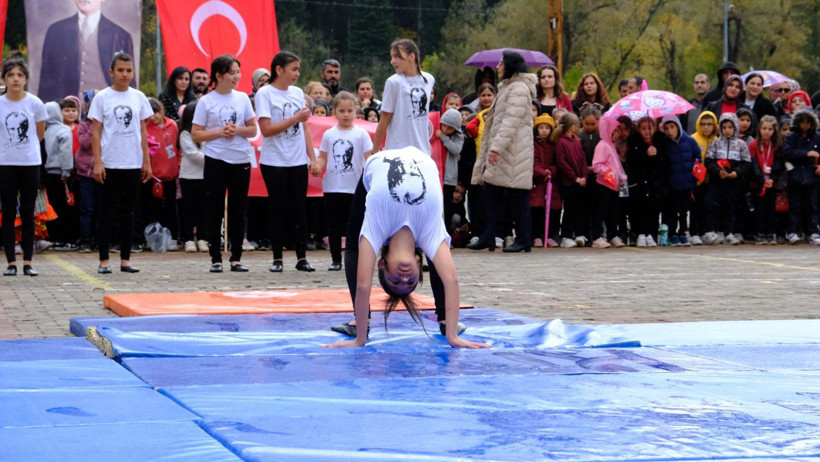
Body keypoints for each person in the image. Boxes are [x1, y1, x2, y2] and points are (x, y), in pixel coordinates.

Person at [323, 146, 490, 349]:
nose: (403, 277)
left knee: (353, 244)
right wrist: (452, 336)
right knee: (441, 246)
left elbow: (363, 285)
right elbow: (451, 280)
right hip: (423, 157)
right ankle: (446, 321)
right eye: (409, 281)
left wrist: (360, 339)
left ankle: (361, 322)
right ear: (419, 263)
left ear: (381, 264)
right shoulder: (430, 236)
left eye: (395, 280)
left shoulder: (375, 231)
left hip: (378, 161)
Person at [191, 54, 257, 272]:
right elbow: (196, 135)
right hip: (216, 160)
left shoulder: (242, 99)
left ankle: (236, 257)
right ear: (218, 76)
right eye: (232, 72)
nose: (236, 76)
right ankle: (215, 258)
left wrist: (236, 130)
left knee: (238, 210)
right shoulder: (206, 101)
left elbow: (253, 129)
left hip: (240, 160)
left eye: (238, 72)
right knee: (215, 209)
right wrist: (220, 132)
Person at [255, 50, 319, 273]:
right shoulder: (265, 94)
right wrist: (294, 118)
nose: (297, 74)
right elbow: (266, 129)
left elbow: (305, 128)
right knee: (278, 208)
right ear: (279, 70)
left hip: (297, 160)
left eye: (298, 69)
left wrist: (313, 158)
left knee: (299, 208)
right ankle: (277, 258)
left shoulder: (297, 92)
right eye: (293, 69)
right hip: (274, 161)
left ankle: (302, 257)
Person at [88, 52, 152, 273]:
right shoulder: (102, 98)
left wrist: (147, 162)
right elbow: (96, 132)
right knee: (105, 214)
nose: (125, 74)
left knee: (129, 213)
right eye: (121, 70)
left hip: (133, 163)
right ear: (111, 72)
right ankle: (104, 261)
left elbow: (143, 131)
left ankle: (126, 260)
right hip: (109, 163)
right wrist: (98, 162)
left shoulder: (139, 97)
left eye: (129, 70)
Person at [467, 51, 537, 253]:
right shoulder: (508, 87)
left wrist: (496, 147)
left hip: (514, 152)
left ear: (510, 66)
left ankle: (523, 239)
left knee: (517, 196)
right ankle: (489, 235)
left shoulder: (518, 89)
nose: (497, 67)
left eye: (501, 63)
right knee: (492, 193)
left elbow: (510, 121)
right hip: (506, 151)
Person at [0, 57, 48, 276]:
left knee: (28, 213)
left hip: (30, 163)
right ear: (4, 79)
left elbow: (39, 134)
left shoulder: (35, 103)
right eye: (11, 75)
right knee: (8, 213)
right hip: (6, 164)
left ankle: (28, 262)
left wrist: (25, 150)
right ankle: (11, 262)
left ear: (26, 79)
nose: (15, 79)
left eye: (20, 75)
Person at [316, 91, 372, 271]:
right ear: (335, 112)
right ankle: (335, 259)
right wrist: (317, 165)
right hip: (333, 187)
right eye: (342, 111)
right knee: (334, 225)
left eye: (350, 110)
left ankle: (354, 258)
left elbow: (368, 158)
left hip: (355, 187)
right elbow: (323, 157)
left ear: (356, 111)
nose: (346, 115)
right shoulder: (329, 134)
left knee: (355, 225)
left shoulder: (361, 134)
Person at [38, 0, 134, 102]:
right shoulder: (55, 31)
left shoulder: (121, 36)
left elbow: (129, 85)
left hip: (106, 110)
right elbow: (46, 83)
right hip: (66, 112)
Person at [372, 39, 435, 154]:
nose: (392, 61)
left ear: (411, 56)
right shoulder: (393, 82)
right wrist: (374, 152)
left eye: (396, 56)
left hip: (422, 152)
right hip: (397, 151)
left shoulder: (429, 79)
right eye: (391, 57)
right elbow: (384, 119)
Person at [702, 113, 752, 245]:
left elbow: (747, 163)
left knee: (730, 206)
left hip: (733, 182)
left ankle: (729, 232)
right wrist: (718, 172)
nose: (727, 130)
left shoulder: (741, 144)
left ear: (735, 127)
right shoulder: (716, 143)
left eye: (730, 127)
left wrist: (736, 172)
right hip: (717, 181)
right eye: (724, 127)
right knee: (711, 203)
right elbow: (709, 160)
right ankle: (711, 230)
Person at [627, 116, 668, 247]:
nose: (646, 132)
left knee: (654, 208)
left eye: (649, 128)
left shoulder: (661, 140)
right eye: (643, 129)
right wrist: (645, 154)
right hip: (639, 182)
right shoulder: (633, 141)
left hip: (655, 182)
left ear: (655, 128)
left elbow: (665, 161)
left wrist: (656, 155)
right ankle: (640, 233)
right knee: (640, 207)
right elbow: (632, 162)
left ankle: (651, 233)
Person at [144, 98, 180, 248]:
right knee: (151, 208)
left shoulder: (172, 125)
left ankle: (172, 238)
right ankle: (152, 239)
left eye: (156, 112)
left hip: (170, 174)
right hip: (151, 175)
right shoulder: (144, 127)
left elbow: (178, 148)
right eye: (151, 113)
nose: (154, 117)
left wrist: (177, 165)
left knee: (171, 207)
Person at [660, 115, 701, 246]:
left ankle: (683, 232)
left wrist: (695, 170)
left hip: (687, 182)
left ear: (678, 126)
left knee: (684, 210)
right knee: (672, 210)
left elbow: (697, 156)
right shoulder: (664, 143)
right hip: (672, 184)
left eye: (672, 127)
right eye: (666, 128)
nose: (670, 131)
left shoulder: (689, 141)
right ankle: (673, 233)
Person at [782, 108, 820, 245]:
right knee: (795, 206)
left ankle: (813, 232)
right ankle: (792, 231)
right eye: (802, 123)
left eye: (808, 123)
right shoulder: (791, 137)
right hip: (796, 176)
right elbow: (787, 153)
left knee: (813, 206)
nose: (805, 126)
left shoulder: (817, 137)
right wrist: (805, 154)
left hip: (813, 177)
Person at [43, 101, 76, 251]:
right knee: (63, 206)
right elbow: (65, 151)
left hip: (45, 173)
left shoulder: (43, 131)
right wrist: (66, 171)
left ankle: (52, 237)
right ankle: (64, 239)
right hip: (60, 173)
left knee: (50, 206)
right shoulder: (63, 130)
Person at [591, 116, 628, 248]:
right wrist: (608, 172)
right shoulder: (602, 145)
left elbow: (616, 164)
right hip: (604, 185)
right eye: (615, 131)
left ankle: (612, 235)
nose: (617, 134)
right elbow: (596, 165)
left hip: (614, 186)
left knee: (613, 213)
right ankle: (596, 236)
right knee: (601, 211)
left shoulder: (611, 145)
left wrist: (622, 175)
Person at [177, 102, 208, 253]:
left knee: (204, 208)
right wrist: (214, 160)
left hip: (205, 176)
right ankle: (188, 239)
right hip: (189, 176)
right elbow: (192, 154)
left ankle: (202, 238)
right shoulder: (185, 134)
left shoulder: (207, 132)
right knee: (188, 208)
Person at [554, 112, 587, 248]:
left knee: (579, 209)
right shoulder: (561, 143)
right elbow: (562, 163)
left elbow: (583, 160)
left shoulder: (577, 142)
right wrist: (575, 177)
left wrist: (584, 176)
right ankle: (566, 235)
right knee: (569, 209)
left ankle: (579, 233)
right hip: (569, 183)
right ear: (573, 126)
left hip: (580, 181)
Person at [749, 115, 784, 245]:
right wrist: (761, 180)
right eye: (764, 128)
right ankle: (760, 233)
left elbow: (778, 165)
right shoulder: (753, 144)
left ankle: (770, 233)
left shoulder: (777, 145)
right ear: (759, 129)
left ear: (774, 130)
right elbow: (753, 165)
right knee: (759, 209)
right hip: (757, 183)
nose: (767, 131)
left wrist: (772, 180)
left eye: (770, 129)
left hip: (772, 184)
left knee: (770, 209)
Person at [689, 111, 719, 245]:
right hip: (696, 179)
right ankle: (694, 232)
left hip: (711, 179)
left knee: (708, 206)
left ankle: (706, 231)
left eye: (709, 124)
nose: (706, 127)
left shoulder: (716, 140)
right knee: (696, 206)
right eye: (703, 124)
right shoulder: (693, 139)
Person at [530, 113, 558, 248]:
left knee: (553, 209)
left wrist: (552, 171)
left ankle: (551, 235)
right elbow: (533, 162)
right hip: (538, 182)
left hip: (551, 182)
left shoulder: (554, 145)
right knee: (537, 209)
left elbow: (558, 161)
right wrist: (542, 172)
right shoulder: (534, 144)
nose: (544, 131)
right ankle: (536, 235)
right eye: (541, 128)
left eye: (547, 128)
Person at [74, 90, 97, 252]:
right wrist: (95, 125)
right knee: (87, 207)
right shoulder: (83, 125)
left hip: (104, 171)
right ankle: (86, 240)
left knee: (101, 208)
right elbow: (85, 143)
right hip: (86, 173)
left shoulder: (108, 124)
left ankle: (99, 239)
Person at [437, 108, 464, 212]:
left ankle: (447, 228)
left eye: (449, 128)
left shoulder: (459, 136)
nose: (445, 129)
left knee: (447, 206)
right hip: (437, 174)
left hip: (449, 178)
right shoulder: (436, 131)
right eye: (443, 125)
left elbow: (456, 149)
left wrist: (444, 138)